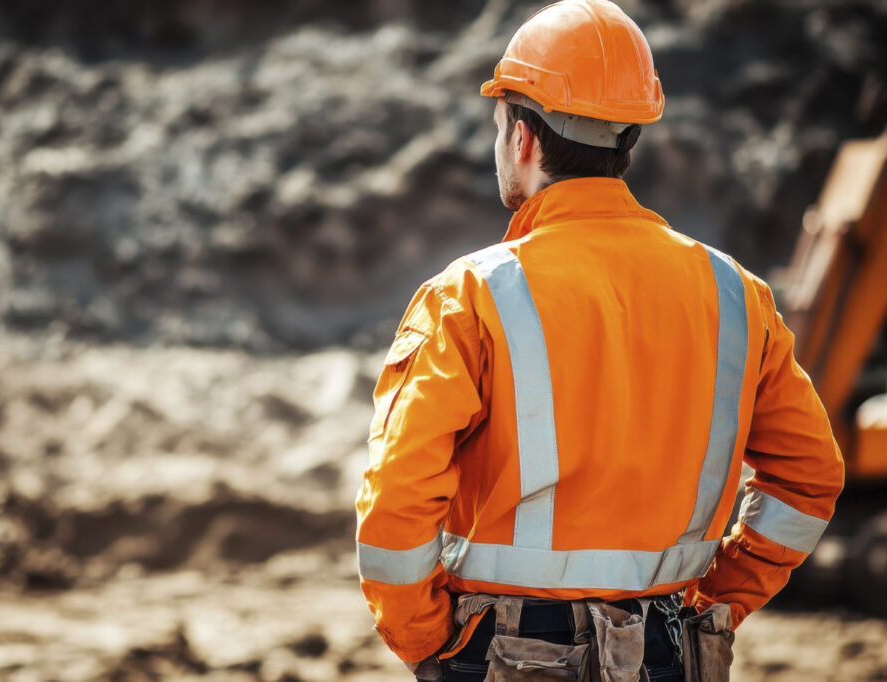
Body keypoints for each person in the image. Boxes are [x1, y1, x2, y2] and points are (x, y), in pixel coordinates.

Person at [354, 0, 845, 680]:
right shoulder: (735, 294)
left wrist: (430, 643)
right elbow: (810, 478)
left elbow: (396, 503)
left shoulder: (471, 296)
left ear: (521, 138)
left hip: (510, 650)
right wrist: (720, 597)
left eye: (501, 126)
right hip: (671, 648)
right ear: (626, 140)